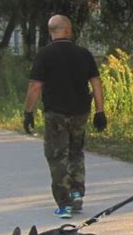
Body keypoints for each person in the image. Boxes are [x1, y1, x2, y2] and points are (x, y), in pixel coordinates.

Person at [22, 14, 107, 219]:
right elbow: (96, 83)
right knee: (76, 152)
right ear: (68, 30)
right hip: (80, 113)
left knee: (57, 156)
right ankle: (77, 192)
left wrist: (28, 112)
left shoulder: (44, 54)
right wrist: (100, 111)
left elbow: (35, 86)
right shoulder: (83, 54)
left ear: (51, 31)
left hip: (56, 115)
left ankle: (64, 203)